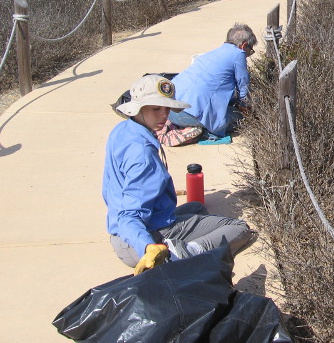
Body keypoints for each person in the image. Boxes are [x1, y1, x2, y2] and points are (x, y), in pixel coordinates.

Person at [103, 74, 255, 275]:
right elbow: (129, 215)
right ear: (139, 107)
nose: (163, 115)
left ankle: (178, 244)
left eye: (166, 108)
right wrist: (148, 248)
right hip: (140, 241)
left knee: (197, 207)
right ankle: (182, 253)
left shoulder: (123, 130)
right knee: (238, 228)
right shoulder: (142, 155)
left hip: (122, 233)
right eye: (156, 108)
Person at [169, 23, 257, 139]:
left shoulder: (212, 53)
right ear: (244, 45)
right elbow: (244, 90)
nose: (248, 55)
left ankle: (182, 128)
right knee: (240, 120)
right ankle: (200, 131)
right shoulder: (238, 54)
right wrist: (248, 110)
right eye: (250, 50)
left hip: (169, 111)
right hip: (188, 115)